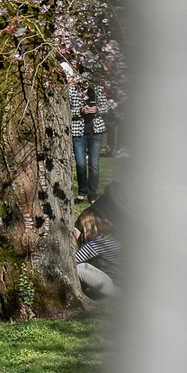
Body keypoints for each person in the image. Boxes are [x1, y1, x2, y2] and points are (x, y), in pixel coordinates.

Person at [70, 71, 111, 202]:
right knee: (81, 163)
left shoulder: (97, 89)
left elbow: (106, 107)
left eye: (87, 79)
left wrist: (96, 110)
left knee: (94, 164)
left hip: (96, 132)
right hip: (78, 133)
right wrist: (80, 111)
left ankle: (92, 193)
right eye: (82, 79)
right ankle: (81, 191)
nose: (85, 82)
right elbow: (67, 110)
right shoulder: (72, 91)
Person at [74, 205, 120, 298]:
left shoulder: (98, 242)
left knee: (81, 267)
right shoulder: (114, 236)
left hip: (118, 289)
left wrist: (79, 244)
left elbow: (72, 260)